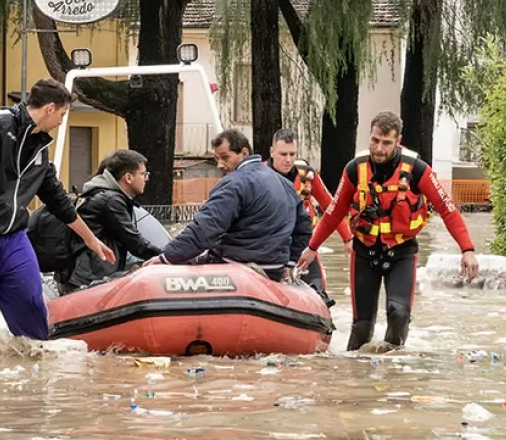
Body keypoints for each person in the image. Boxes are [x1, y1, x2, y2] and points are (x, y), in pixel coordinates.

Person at [0, 78, 114, 356]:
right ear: (50, 108)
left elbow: (58, 199)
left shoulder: (40, 148)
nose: (63, 121)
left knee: (31, 306)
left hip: (13, 238)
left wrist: (91, 240)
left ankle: (34, 387)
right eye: (63, 114)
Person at [296, 111, 480, 352]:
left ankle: (394, 373)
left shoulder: (417, 170)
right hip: (364, 251)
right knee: (361, 328)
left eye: (386, 143)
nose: (379, 149)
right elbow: (333, 213)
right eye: (374, 140)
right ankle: (357, 380)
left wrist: (467, 249)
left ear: (398, 141)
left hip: (401, 252)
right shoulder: (355, 170)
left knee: (398, 313)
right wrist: (312, 247)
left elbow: (448, 209)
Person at [144, 128, 311, 279]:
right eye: (217, 159)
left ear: (244, 153)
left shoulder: (234, 183)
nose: (220, 165)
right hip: (273, 268)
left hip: (234, 266)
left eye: (225, 157)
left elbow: (205, 228)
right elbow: (303, 228)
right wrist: (289, 262)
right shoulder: (286, 184)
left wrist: (165, 257)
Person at [54, 149, 162, 293]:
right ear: (128, 178)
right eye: (143, 174)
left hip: (79, 276)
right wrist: (170, 255)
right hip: (88, 279)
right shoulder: (111, 201)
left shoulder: (101, 195)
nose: (146, 179)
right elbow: (134, 242)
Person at [266, 128, 349, 303]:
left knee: (319, 292)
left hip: (304, 247)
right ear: (272, 152)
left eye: (292, 154)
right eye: (283, 154)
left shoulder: (307, 176)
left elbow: (332, 207)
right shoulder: (257, 176)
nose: (288, 160)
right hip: (270, 246)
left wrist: (348, 239)